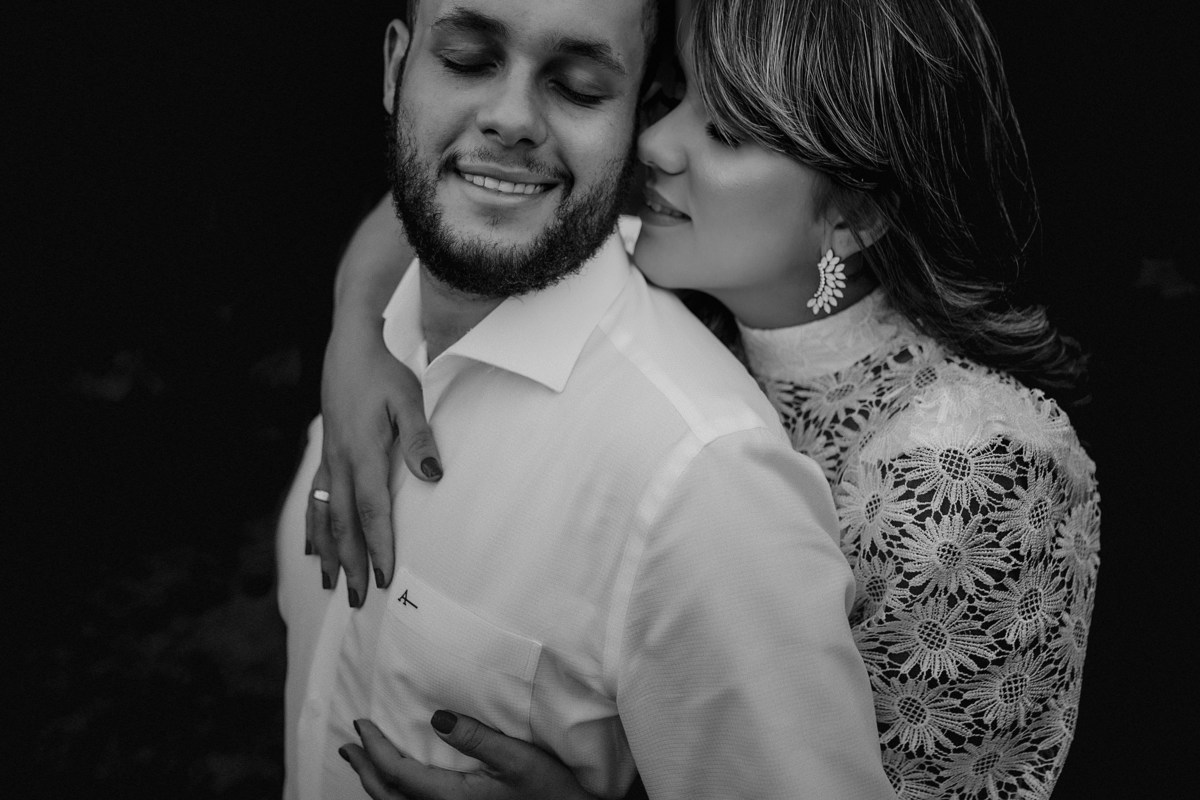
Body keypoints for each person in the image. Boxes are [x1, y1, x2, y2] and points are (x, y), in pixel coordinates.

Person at [311, 0, 1102, 798]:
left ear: (857, 212)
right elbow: (443, 178)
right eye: (670, 96)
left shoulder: (965, 474)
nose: (654, 144)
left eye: (726, 133)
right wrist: (358, 333)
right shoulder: (680, 273)